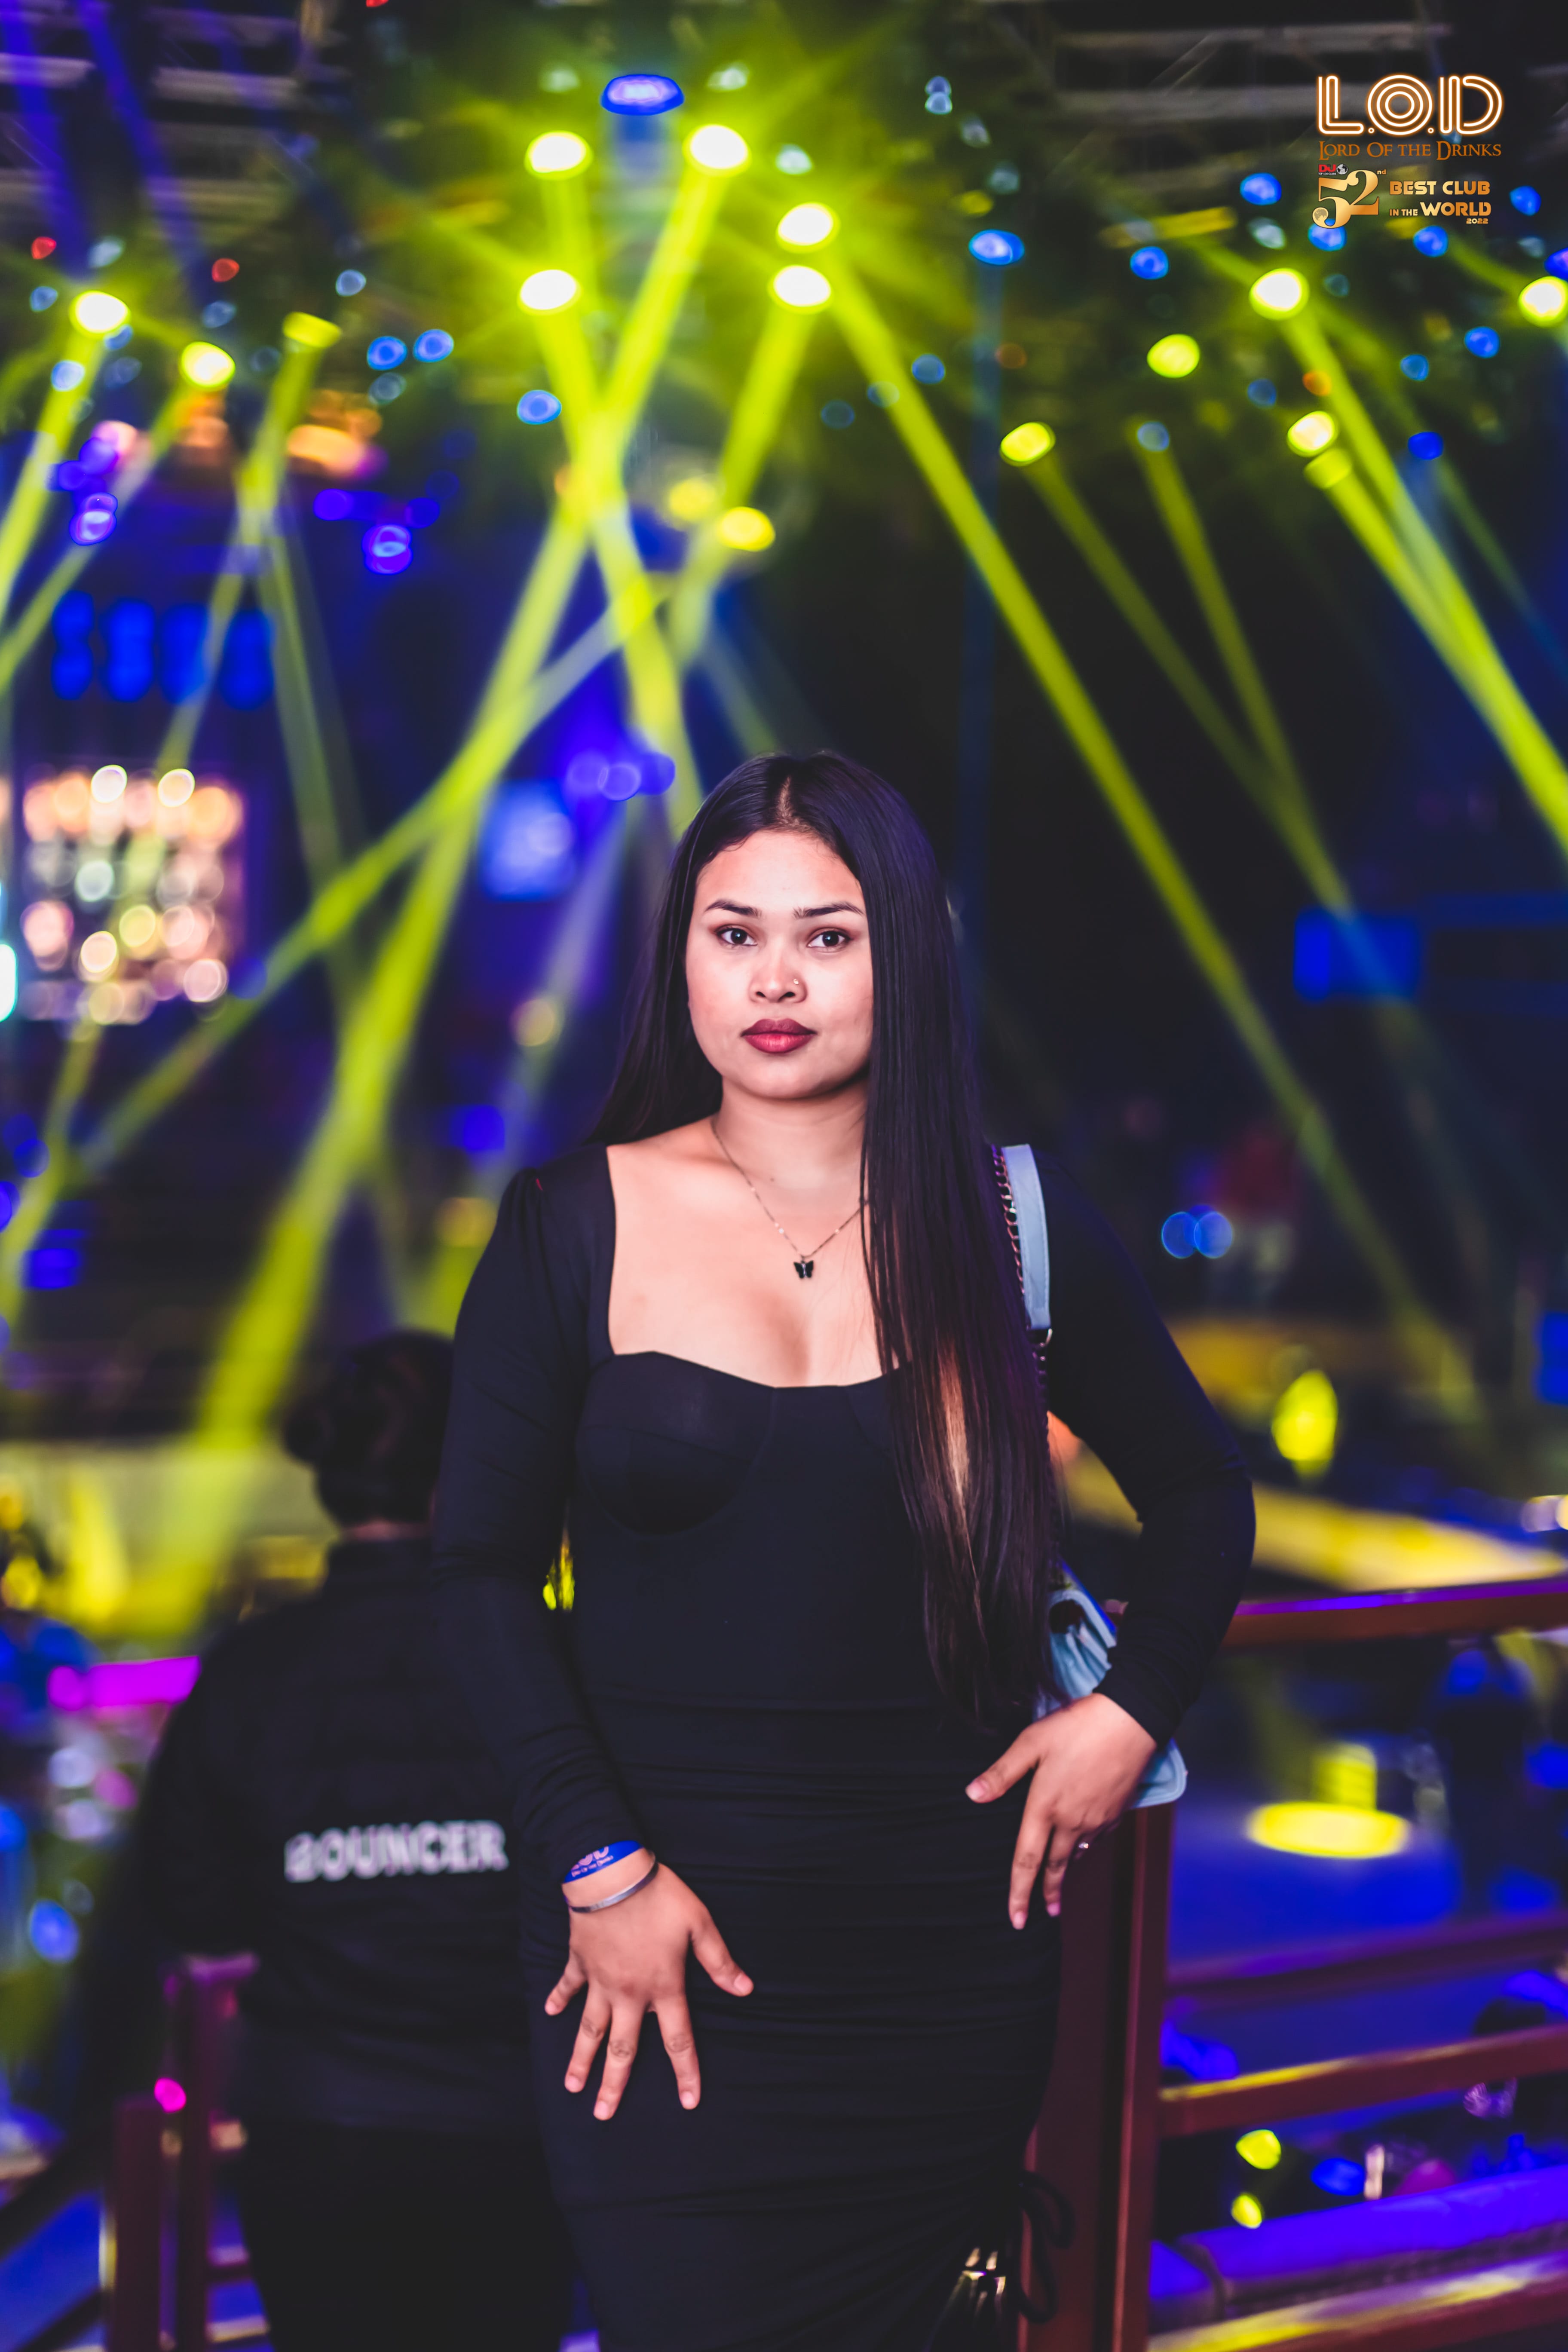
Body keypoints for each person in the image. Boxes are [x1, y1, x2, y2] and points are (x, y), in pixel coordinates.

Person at [432, 752, 1254, 2352]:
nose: (776, 981)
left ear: (907, 957)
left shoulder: (1013, 1225)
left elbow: (1203, 1494)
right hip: (655, 1947)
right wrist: (597, 1865)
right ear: (682, 958)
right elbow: (476, 1578)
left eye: (828, 935)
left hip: (943, 1959)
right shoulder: (568, 1223)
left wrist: (1128, 1713)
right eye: (733, 934)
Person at [140, 1331, 573, 2352]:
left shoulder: (247, 1671)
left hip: (317, 2128)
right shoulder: (545, 1651)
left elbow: (192, 1910)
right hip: (516, 2129)